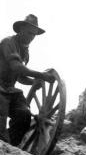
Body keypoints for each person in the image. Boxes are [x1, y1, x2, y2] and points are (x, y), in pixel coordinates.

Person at [0, 14, 54, 146]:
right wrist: (41, 75)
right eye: (29, 33)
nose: (31, 37)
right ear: (21, 29)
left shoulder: (25, 52)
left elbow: (20, 77)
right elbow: (17, 67)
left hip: (10, 90)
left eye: (34, 35)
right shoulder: (8, 42)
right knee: (1, 118)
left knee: (24, 115)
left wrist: (33, 82)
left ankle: (10, 149)